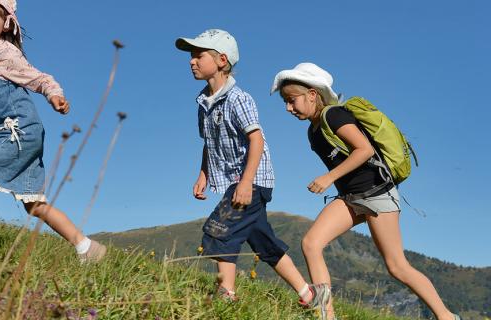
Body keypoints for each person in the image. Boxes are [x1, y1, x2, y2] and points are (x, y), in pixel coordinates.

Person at [272, 62, 460, 320]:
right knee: (311, 244)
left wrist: (329, 177)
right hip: (350, 198)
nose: (288, 108)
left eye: (292, 100)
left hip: (377, 193)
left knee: (397, 266)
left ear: (313, 94)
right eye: (285, 102)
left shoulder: (333, 115)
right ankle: (326, 316)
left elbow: (364, 150)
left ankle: (446, 316)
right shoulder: (312, 131)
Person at [175, 29, 326, 307]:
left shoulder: (238, 99)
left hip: (251, 179)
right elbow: (209, 142)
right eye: (190, 57)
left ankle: (226, 297)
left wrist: (246, 183)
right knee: (262, 241)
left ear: (221, 60)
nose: (191, 61)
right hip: (236, 179)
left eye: (198, 55)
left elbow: (256, 140)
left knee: (220, 230)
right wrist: (203, 174)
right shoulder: (203, 103)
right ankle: (309, 294)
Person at [0, 0, 106, 263]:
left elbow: (39, 78)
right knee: (33, 204)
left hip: (17, 131)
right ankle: (86, 247)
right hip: (17, 131)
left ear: (6, 24)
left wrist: (54, 95)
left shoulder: (5, 53)